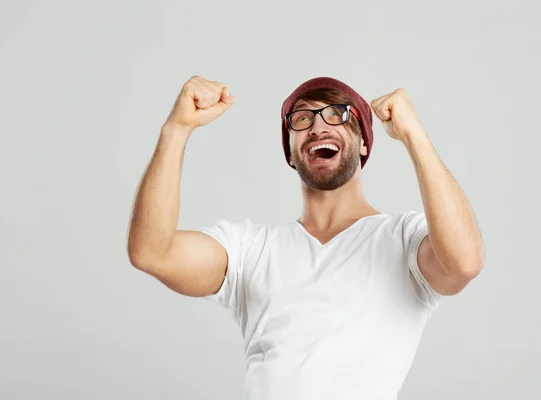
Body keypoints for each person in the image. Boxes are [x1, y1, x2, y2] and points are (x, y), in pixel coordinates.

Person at [127, 75, 485, 399]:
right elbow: (152, 253)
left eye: (338, 115)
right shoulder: (250, 249)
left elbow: (464, 263)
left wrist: (414, 135)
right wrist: (176, 130)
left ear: (363, 144)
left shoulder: (403, 240)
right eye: (302, 119)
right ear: (291, 154)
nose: (317, 127)